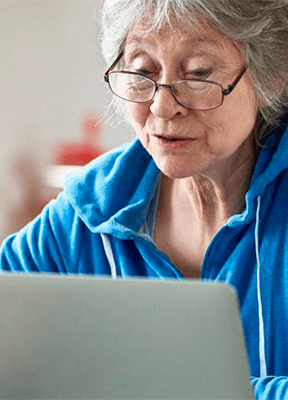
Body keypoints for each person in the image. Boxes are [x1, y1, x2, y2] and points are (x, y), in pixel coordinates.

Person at [1, 0, 288, 398]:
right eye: (141, 72)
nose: (163, 106)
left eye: (198, 74)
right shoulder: (91, 212)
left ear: (274, 73)